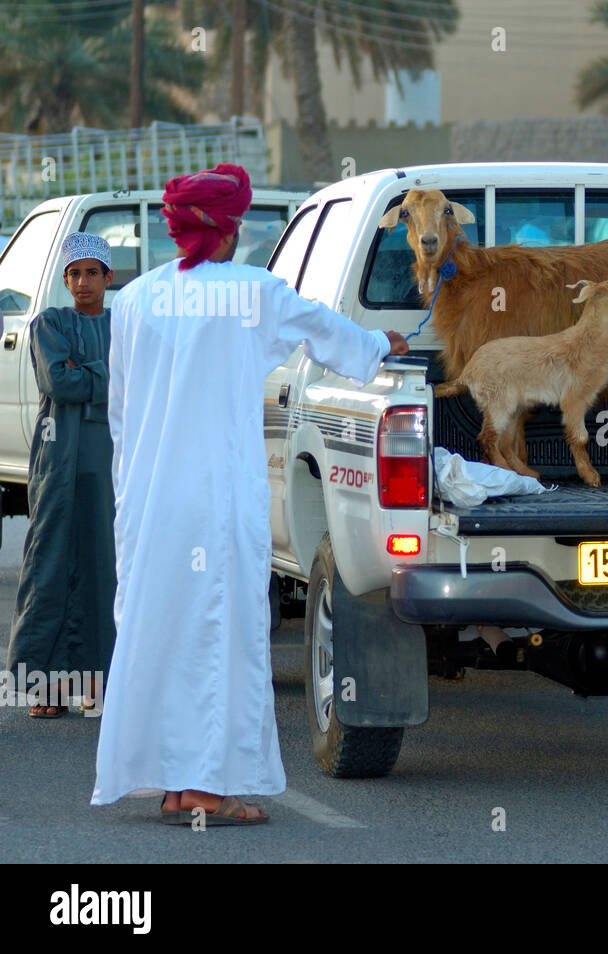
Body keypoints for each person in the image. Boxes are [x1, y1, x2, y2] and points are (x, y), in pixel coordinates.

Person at [92, 164, 409, 825]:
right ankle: (206, 792)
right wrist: (383, 344)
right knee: (218, 634)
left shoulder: (136, 300)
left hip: (151, 501)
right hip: (216, 499)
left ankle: (178, 783)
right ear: (228, 230)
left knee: (168, 631)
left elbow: (120, 412)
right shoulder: (252, 292)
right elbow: (329, 334)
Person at [5, 233, 116, 718]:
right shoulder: (48, 322)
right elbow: (59, 381)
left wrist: (87, 369)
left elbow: (133, 379)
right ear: (65, 279)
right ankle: (43, 686)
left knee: (103, 567)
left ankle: (99, 682)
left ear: (108, 278)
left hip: (108, 461)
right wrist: (105, 374)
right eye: (75, 274)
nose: (83, 282)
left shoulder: (125, 327)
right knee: (49, 563)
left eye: (93, 272)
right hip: (56, 460)